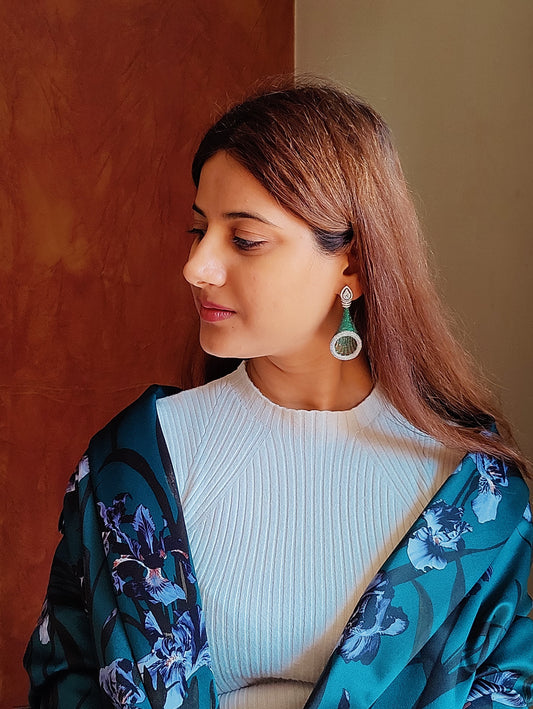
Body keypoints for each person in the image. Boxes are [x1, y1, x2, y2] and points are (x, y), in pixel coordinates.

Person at [24, 80, 533, 709]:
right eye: (198, 229)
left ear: (353, 265)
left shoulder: (475, 495)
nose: (196, 266)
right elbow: (63, 678)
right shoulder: (130, 464)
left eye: (244, 239)